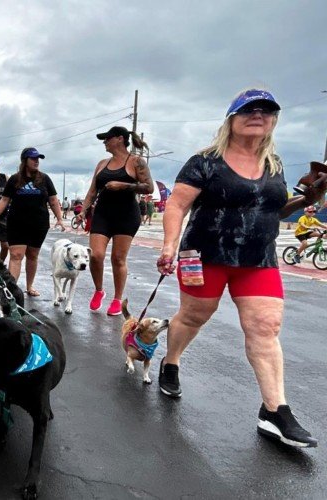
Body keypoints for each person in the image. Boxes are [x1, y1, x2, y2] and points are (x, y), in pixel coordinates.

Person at [157, 88, 325, 448]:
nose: (258, 114)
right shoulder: (205, 161)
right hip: (204, 255)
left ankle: (274, 411)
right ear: (231, 119)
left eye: (267, 110)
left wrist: (305, 199)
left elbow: (271, 209)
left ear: (274, 121)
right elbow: (177, 205)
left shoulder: (275, 164)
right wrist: (170, 243)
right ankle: (171, 361)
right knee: (194, 316)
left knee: (266, 326)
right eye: (249, 109)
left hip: (257, 257)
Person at [78, 126, 154, 315]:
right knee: (95, 255)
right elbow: (92, 191)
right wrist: (83, 211)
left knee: (118, 259)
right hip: (103, 213)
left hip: (126, 215)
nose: (104, 142)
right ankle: (99, 290)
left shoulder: (136, 162)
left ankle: (117, 299)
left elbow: (149, 187)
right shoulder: (102, 163)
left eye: (107, 138)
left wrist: (123, 185)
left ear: (120, 139)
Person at [0, 147, 66, 296]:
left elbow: (53, 200)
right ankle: (11, 291)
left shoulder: (44, 179)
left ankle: (29, 286)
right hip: (17, 223)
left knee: (32, 256)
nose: (37, 161)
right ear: (25, 160)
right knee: (16, 255)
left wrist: (59, 219)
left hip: (38, 224)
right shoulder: (14, 179)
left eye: (38, 159)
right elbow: (5, 199)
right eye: (33, 158)